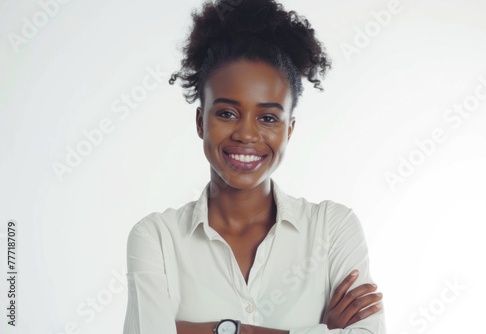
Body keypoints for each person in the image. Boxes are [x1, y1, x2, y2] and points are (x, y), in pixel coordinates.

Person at [123, 0, 386, 333]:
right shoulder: (157, 239)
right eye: (227, 113)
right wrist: (319, 330)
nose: (247, 133)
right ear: (201, 122)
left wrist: (201, 329)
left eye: (267, 118)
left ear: (289, 130)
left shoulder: (332, 229)